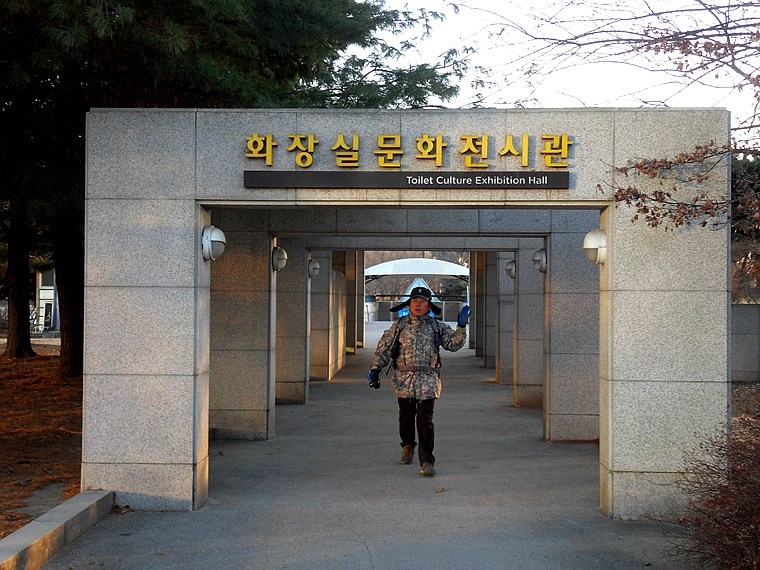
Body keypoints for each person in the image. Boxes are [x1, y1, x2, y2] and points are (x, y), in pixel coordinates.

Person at [367, 286, 470, 477]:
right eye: (414, 301)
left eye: (422, 301)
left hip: (428, 381)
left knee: (425, 420)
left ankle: (427, 460)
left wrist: (461, 327)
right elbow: (384, 348)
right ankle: (408, 446)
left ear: (429, 306)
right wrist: (375, 368)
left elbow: (453, 344)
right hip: (404, 381)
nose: (418, 304)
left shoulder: (436, 326)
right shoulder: (399, 326)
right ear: (409, 304)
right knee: (406, 418)